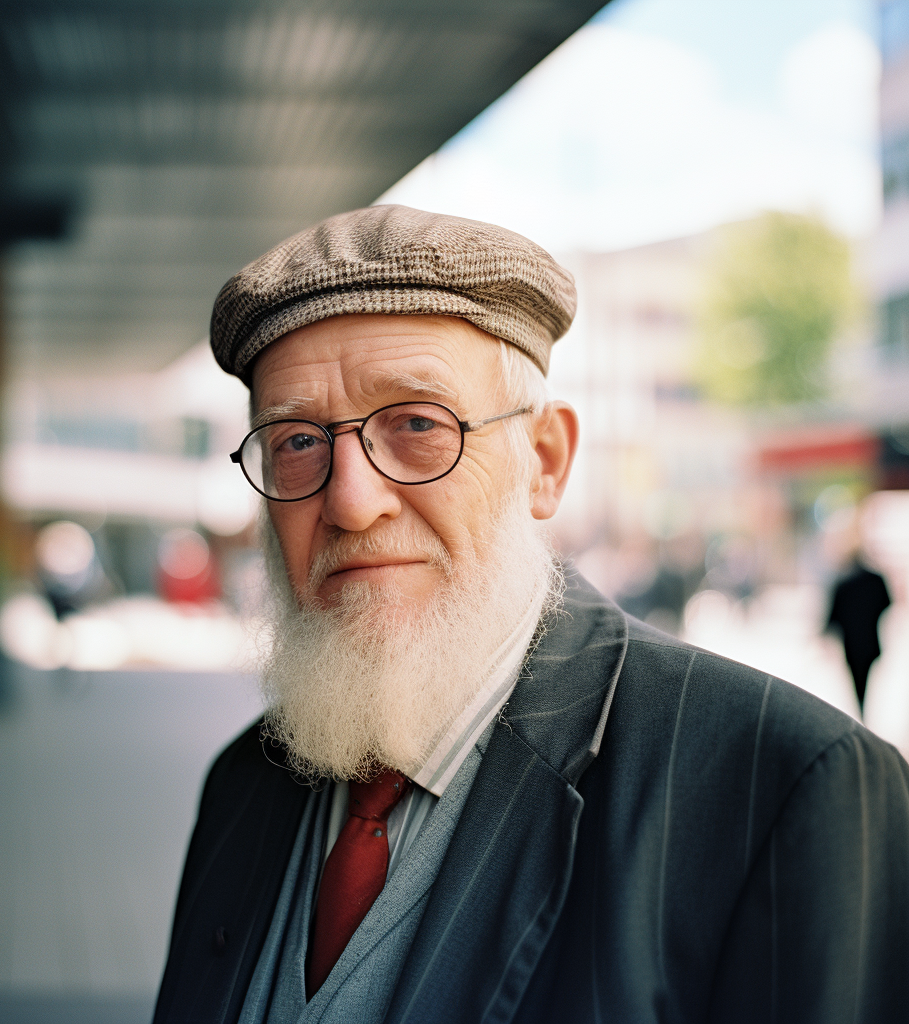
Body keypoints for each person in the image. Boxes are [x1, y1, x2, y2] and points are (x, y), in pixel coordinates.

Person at [154, 206, 909, 1024]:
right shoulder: (243, 783)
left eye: (417, 424)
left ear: (544, 462)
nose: (350, 500)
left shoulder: (781, 787)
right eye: (298, 441)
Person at [826, 553, 891, 713]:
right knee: (866, 681)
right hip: (870, 644)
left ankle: (861, 709)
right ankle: (864, 709)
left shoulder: (843, 583)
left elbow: (832, 618)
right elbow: (887, 603)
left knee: (856, 682)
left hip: (851, 646)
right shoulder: (876, 580)